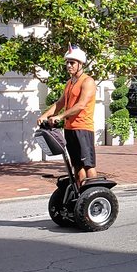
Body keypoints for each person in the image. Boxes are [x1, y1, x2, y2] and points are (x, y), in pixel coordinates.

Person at [37, 44, 97, 187]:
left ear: (80, 64)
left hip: (83, 128)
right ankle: (81, 195)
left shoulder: (87, 81)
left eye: (72, 63)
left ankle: (95, 193)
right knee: (76, 165)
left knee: (88, 165)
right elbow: (60, 103)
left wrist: (60, 117)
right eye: (67, 62)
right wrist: (44, 115)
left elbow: (81, 105)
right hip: (70, 129)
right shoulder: (69, 83)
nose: (69, 65)